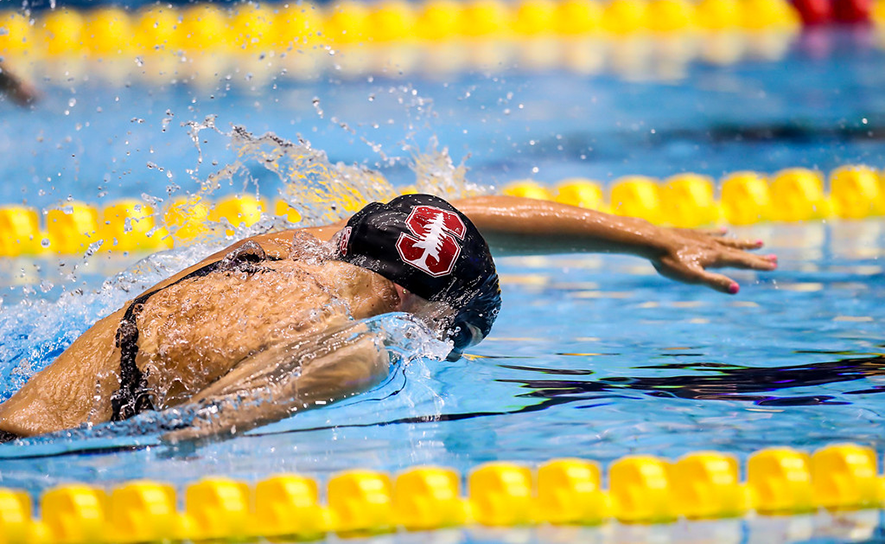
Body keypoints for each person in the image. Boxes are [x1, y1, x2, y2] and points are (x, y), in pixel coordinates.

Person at [0, 193, 777, 443]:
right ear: (412, 305)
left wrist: (651, 240)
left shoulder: (278, 250)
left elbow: (444, 215)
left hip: (26, 417)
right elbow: (354, 366)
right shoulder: (351, 344)